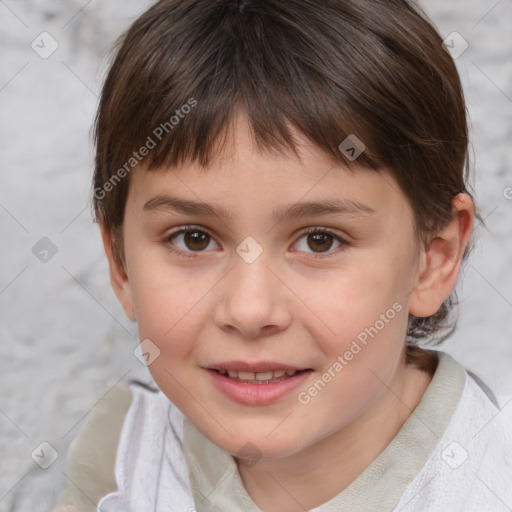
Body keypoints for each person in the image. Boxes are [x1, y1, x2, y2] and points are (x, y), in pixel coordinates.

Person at [50, 0, 512, 510]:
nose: (250, 311)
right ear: (120, 262)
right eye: (194, 239)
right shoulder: (120, 462)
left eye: (320, 240)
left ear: (433, 258)